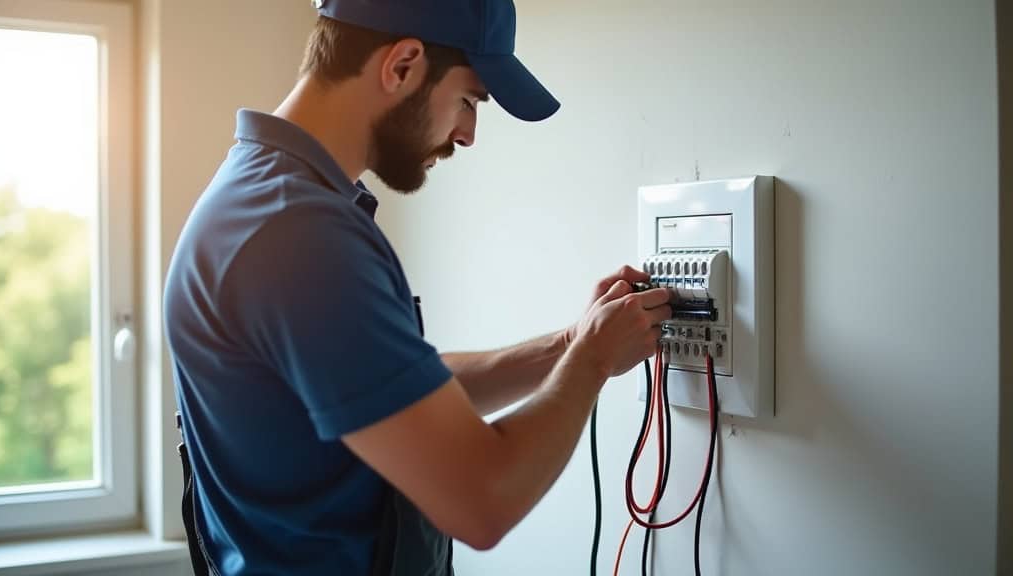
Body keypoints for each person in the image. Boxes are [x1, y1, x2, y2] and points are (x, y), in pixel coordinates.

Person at [163, 0, 671, 574]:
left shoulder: (263, 196)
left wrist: (569, 345)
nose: (469, 133)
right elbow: (483, 499)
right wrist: (591, 363)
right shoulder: (300, 234)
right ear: (402, 64)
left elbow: (398, 394)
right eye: (470, 100)